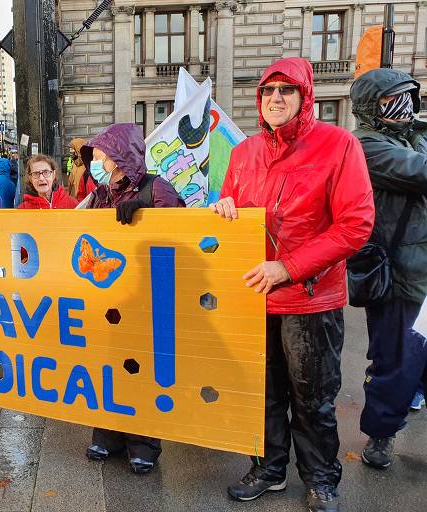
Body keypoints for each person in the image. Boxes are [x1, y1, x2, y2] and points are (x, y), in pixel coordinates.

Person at [211, 58, 374, 512]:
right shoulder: (243, 154)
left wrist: (289, 267)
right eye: (268, 91)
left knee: (313, 398)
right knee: (261, 393)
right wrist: (224, 209)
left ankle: (321, 479)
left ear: (305, 98)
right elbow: (231, 215)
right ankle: (268, 467)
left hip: (310, 299)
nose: (275, 98)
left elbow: (355, 225)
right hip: (253, 296)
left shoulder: (338, 145)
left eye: (286, 90)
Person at [80, 123, 184, 474]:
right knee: (107, 363)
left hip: (147, 299)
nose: (95, 161)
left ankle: (143, 441)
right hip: (107, 298)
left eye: (100, 155)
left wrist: (145, 215)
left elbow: (180, 235)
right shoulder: (100, 194)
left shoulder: (157, 189)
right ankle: (108, 434)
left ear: (119, 156)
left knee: (140, 367)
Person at [349, 68, 427, 469]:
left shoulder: (414, 135)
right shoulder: (366, 146)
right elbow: (420, 172)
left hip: (423, 273)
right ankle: (381, 433)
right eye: (390, 100)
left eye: (408, 98)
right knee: (395, 360)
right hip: (399, 276)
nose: (403, 107)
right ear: (370, 108)